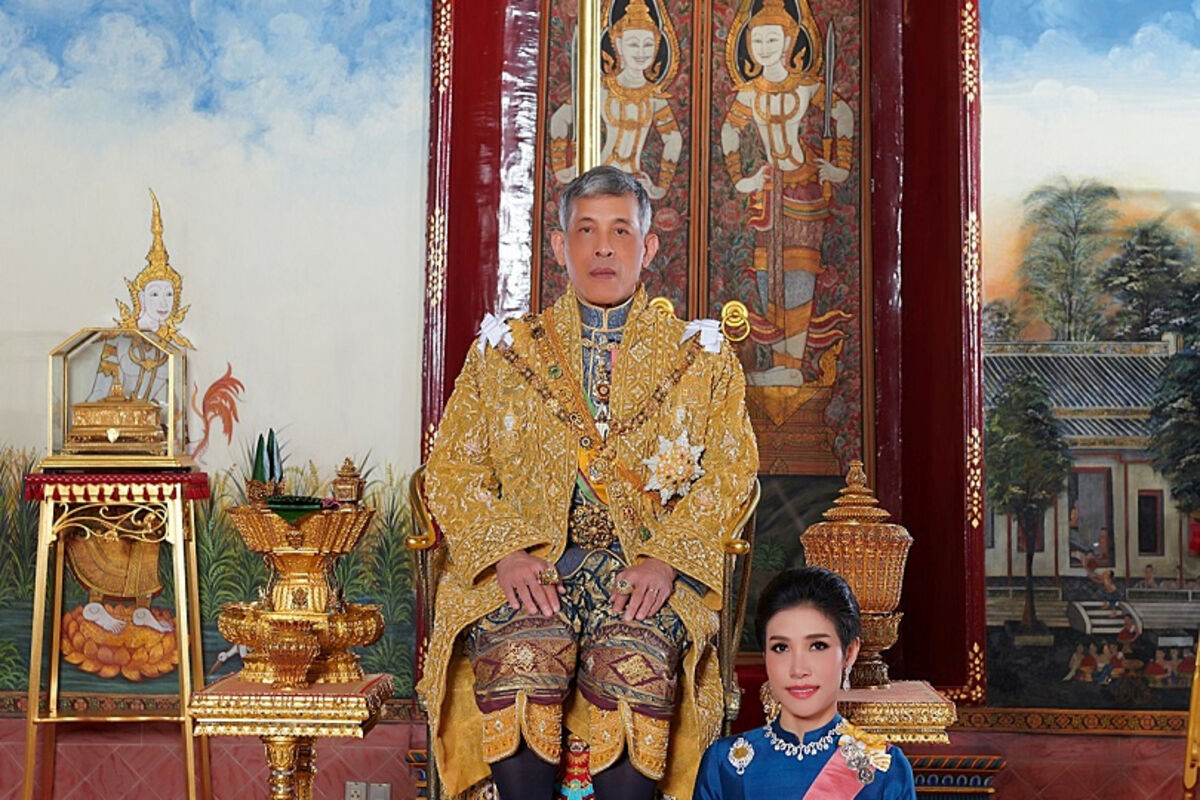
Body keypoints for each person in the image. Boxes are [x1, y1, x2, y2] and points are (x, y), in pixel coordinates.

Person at [418, 165, 759, 800]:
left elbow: (731, 473)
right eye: (586, 230)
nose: (603, 247)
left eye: (620, 231)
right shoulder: (505, 353)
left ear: (648, 247)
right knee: (523, 654)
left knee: (634, 661)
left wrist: (665, 561)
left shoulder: (700, 360)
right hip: (531, 568)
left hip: (647, 574)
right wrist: (506, 554)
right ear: (559, 245)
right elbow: (452, 469)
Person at [693, 566, 915, 799]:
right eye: (781, 648)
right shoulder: (725, 764)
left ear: (849, 653)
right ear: (765, 656)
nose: (798, 669)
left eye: (818, 646)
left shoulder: (884, 767)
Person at [721, 0, 854, 386]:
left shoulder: (806, 87)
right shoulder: (750, 94)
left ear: (789, 42)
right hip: (768, 191)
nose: (764, 47)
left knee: (799, 272)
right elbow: (729, 131)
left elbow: (843, 115)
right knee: (768, 273)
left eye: (772, 39)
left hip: (804, 187)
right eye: (758, 40)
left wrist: (841, 166)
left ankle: (792, 365)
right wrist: (741, 178)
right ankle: (780, 364)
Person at [550, 0, 682, 199]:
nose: (641, 52)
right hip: (599, 175)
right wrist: (562, 168)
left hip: (635, 181)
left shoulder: (654, 97)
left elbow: (673, 139)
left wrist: (659, 187)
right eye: (633, 44)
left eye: (648, 44)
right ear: (618, 45)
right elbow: (560, 119)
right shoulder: (602, 90)